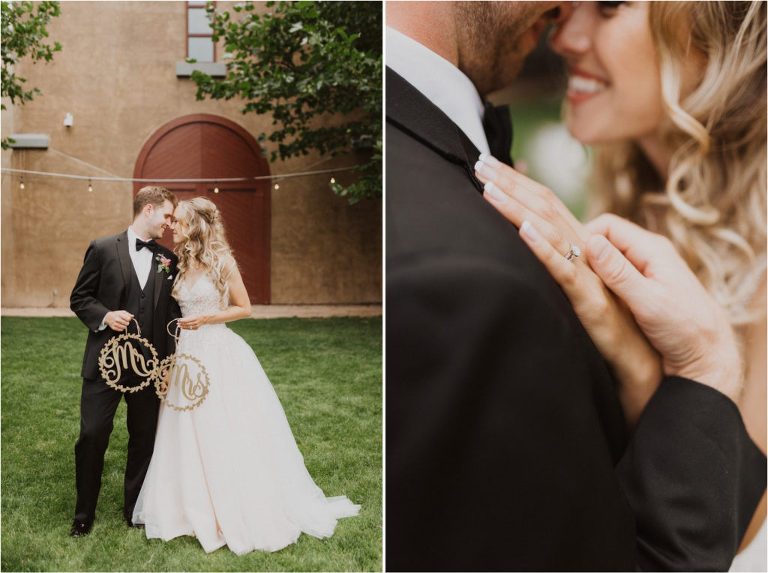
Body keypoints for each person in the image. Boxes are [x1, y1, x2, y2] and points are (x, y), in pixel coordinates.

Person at [385, 1, 765, 570]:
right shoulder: (616, 203)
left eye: (609, 7)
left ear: (722, 39)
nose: (563, 38)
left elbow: (738, 531)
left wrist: (644, 367)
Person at [132, 197, 359, 554]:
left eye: (179, 221)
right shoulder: (177, 263)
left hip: (218, 352)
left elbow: (245, 308)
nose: (172, 226)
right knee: (183, 428)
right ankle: (187, 504)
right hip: (185, 354)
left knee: (223, 424)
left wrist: (206, 318)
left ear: (195, 225)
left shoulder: (222, 262)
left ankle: (232, 500)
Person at [69, 186, 180, 537]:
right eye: (166, 215)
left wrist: (168, 365)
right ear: (147, 210)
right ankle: (83, 514)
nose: (169, 223)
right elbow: (80, 297)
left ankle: (136, 510)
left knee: (144, 437)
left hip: (149, 367)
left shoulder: (168, 259)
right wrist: (105, 316)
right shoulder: (102, 249)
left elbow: (171, 314)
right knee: (92, 434)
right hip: (106, 363)